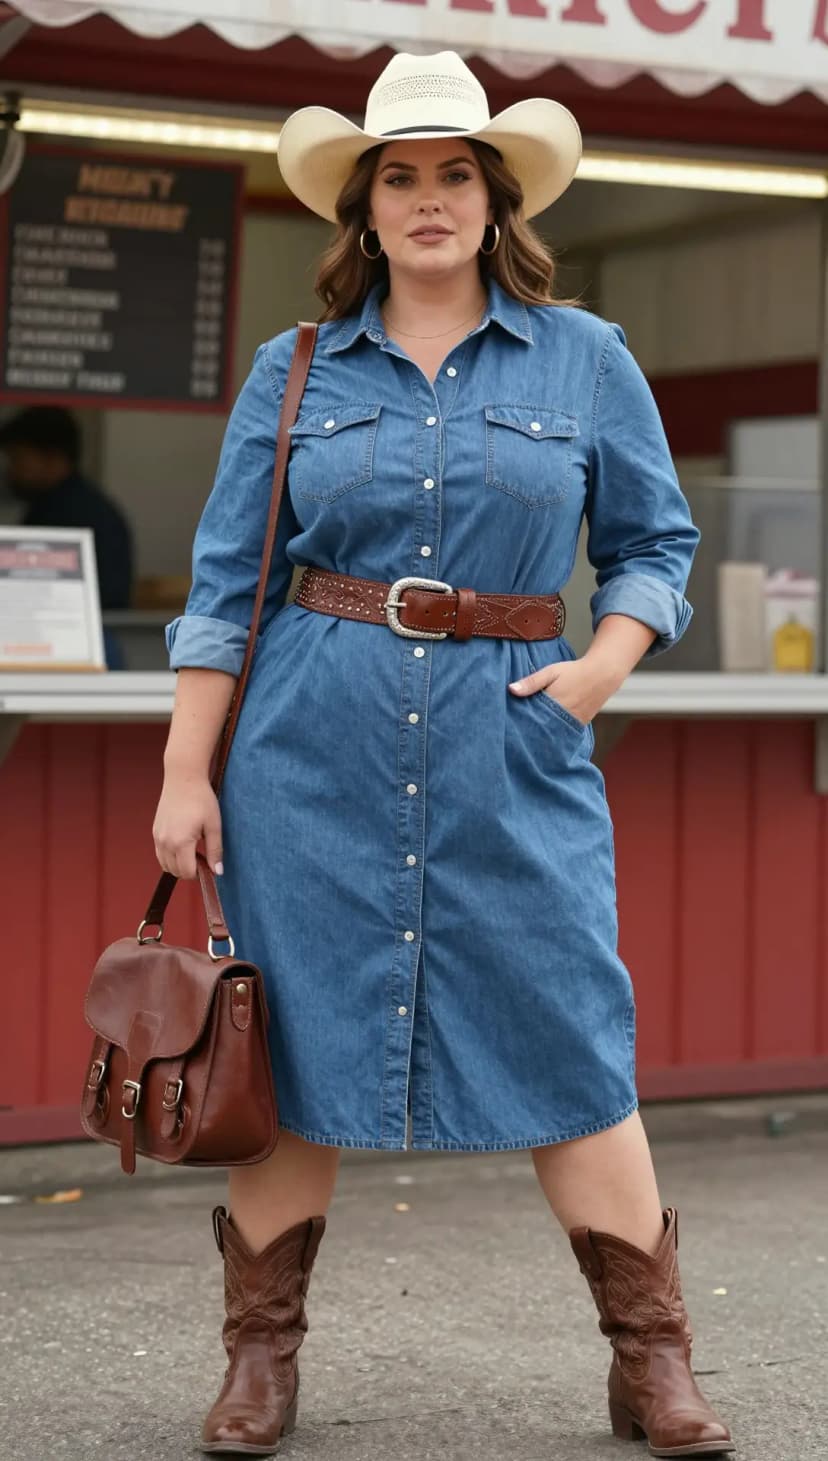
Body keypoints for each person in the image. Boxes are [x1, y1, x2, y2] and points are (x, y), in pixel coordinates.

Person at [153, 50, 734, 1460]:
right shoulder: (290, 373)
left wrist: (599, 672)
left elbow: (659, 544)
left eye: (451, 173)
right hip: (305, 749)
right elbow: (228, 582)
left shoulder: (586, 358)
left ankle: (652, 1359)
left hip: (513, 740)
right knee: (292, 1047)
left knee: (572, 1033)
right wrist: (186, 771)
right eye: (398, 176)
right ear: (360, 209)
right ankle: (261, 1362)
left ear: (494, 199)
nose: (426, 198)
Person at [0, 404, 134, 668]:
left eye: (18, 458)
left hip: (73, 652)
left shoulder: (69, 515)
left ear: (52, 457)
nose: (11, 470)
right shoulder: (69, 506)